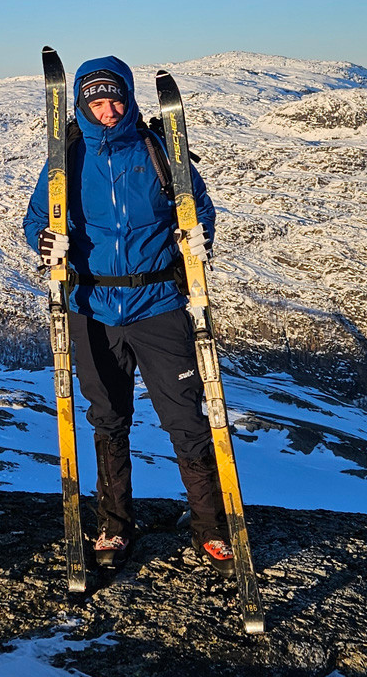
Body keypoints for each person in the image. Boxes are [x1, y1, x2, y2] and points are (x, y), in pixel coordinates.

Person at [22, 56, 235, 573]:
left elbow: (196, 206)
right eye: (97, 101)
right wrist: (46, 241)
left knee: (186, 419)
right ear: (80, 106)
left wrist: (197, 234)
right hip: (92, 308)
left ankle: (211, 529)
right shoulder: (67, 160)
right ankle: (113, 526)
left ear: (130, 98)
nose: (109, 109)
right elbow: (36, 220)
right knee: (108, 419)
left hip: (158, 305)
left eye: (115, 98)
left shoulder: (159, 149)